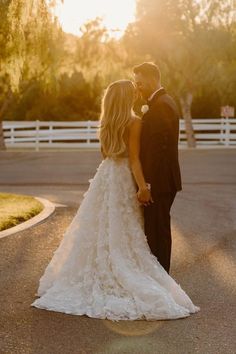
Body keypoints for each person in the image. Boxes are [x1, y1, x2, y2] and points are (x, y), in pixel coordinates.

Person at [31, 79, 200, 321]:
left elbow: (106, 153)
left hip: (106, 174)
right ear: (126, 98)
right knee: (123, 225)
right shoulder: (134, 122)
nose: (136, 95)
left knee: (100, 225)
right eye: (132, 92)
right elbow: (134, 159)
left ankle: (96, 269)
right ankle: (121, 271)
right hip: (122, 177)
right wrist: (142, 186)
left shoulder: (107, 123)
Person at [133, 62, 182, 274]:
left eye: (140, 83)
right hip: (163, 181)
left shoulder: (161, 106)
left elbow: (158, 150)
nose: (138, 88)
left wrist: (147, 185)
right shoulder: (163, 102)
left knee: (157, 232)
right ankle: (160, 276)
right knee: (156, 230)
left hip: (159, 182)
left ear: (152, 79)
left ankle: (161, 278)